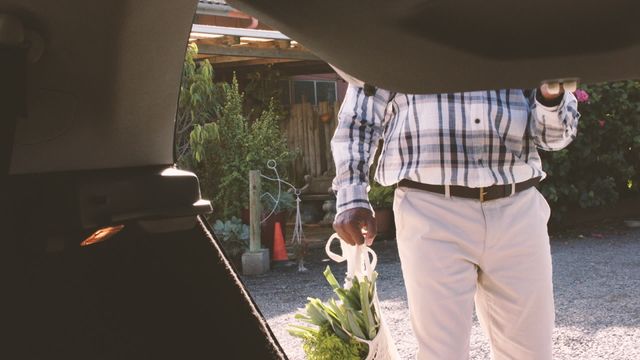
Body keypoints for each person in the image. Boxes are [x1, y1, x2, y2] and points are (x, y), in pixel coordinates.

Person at [331, 81, 580, 359]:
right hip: (430, 208)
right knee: (442, 354)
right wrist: (351, 195)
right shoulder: (398, 37)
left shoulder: (523, 37)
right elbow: (359, 117)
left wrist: (549, 95)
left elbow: (555, 138)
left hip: (517, 206)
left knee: (531, 353)